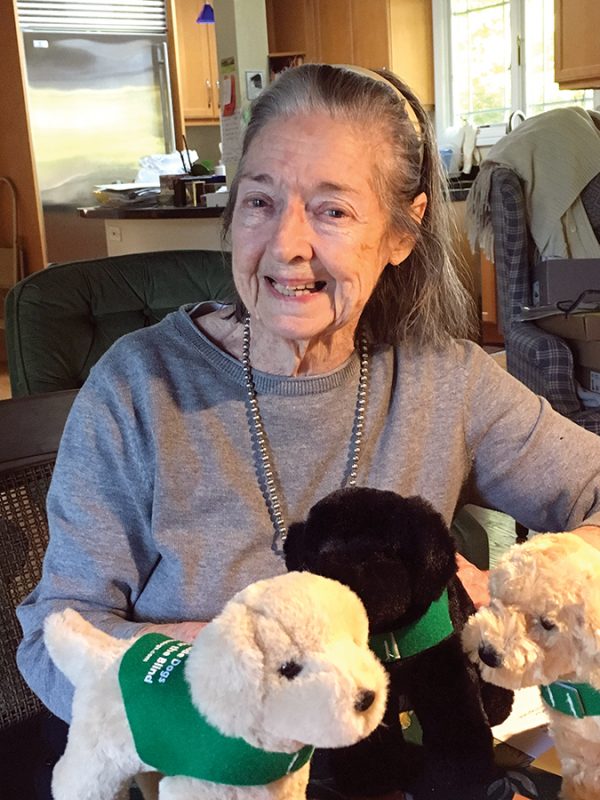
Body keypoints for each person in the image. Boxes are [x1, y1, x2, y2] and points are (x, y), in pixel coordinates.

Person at [16, 63, 600, 789]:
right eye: (260, 201)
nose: (287, 244)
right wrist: (217, 670)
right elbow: (54, 638)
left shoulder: (445, 378)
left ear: (401, 233)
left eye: (331, 210)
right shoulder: (137, 387)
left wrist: (523, 586)